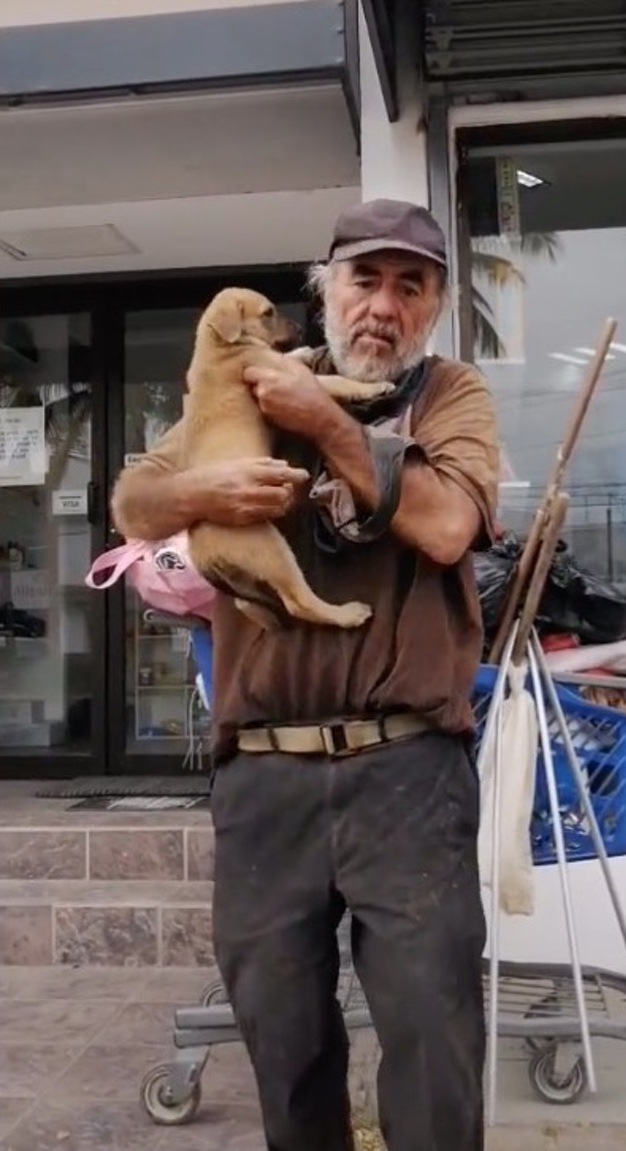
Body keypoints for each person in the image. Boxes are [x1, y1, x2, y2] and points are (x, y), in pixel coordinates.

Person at [112, 198, 500, 1151]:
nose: (383, 305)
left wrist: (326, 424)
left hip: (406, 773)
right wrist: (207, 490)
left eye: (411, 287)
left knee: (430, 1040)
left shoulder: (452, 396)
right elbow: (132, 499)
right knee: (282, 1046)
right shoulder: (245, 381)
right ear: (326, 291)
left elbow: (449, 526)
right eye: (365, 280)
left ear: (434, 306)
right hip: (265, 777)